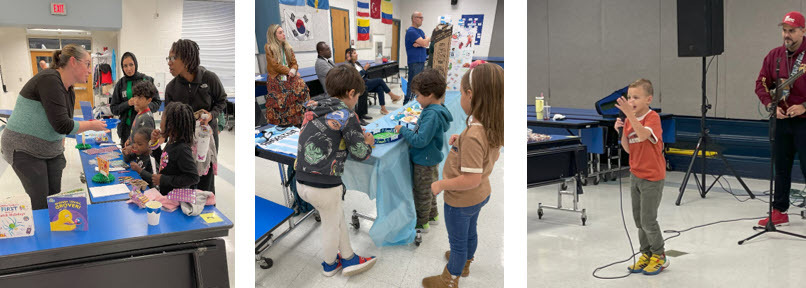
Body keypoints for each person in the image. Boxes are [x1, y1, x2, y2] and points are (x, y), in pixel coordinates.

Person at [423, 63, 503, 287]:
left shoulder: (474, 135)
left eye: (460, 92)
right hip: (480, 195)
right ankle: (466, 263)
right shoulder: (492, 126)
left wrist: (441, 184)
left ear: (470, 94)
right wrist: (462, 140)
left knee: (457, 243)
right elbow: (491, 158)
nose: (460, 98)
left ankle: (450, 278)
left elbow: (470, 179)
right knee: (470, 232)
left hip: (461, 200)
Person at [0, 44, 107, 210]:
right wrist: (92, 125)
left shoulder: (69, 90)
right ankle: (43, 234)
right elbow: (62, 125)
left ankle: (54, 230)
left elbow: (64, 121)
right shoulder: (50, 79)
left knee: (54, 198)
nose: (89, 70)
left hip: (51, 150)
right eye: (87, 64)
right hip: (24, 148)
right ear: (73, 61)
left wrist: (60, 144)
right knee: (41, 203)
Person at [295, 64, 377, 277]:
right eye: (358, 96)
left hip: (302, 181)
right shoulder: (347, 114)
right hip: (324, 185)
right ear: (351, 93)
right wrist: (368, 142)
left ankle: (349, 256)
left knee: (336, 217)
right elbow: (360, 153)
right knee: (331, 226)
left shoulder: (314, 106)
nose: (357, 101)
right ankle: (329, 265)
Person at [755, 11, 806, 227]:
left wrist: (804, 106)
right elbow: (761, 84)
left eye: (792, 31)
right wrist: (770, 104)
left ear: (803, 31)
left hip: (804, 121)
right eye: (784, 30)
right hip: (781, 120)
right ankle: (779, 210)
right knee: (781, 167)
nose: (787, 35)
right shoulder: (774, 55)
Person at [614, 78, 668, 275]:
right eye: (629, 97)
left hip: (652, 177)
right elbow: (629, 148)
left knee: (648, 220)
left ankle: (659, 255)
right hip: (635, 175)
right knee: (638, 221)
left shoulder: (652, 118)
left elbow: (644, 135)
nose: (631, 101)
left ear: (648, 99)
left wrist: (631, 117)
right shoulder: (630, 120)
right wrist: (621, 131)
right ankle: (645, 253)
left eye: (636, 97)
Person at [394, 68, 453, 234]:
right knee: (430, 188)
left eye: (418, 95)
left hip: (424, 160)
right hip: (430, 157)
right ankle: (432, 215)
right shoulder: (437, 109)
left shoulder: (432, 114)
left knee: (422, 193)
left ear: (430, 94)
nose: (416, 99)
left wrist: (403, 130)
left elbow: (420, 141)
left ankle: (422, 223)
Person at [165, 39, 226, 194]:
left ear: (186, 59)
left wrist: (212, 115)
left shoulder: (209, 78)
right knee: (186, 182)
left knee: (206, 183)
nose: (169, 63)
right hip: (183, 143)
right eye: (168, 58)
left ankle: (207, 214)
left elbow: (222, 100)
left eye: (173, 58)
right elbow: (169, 119)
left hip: (206, 138)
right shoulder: (171, 88)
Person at [110, 52, 162, 146]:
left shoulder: (146, 80)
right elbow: (114, 109)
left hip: (144, 128)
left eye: (131, 65)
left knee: (143, 156)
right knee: (127, 156)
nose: (129, 69)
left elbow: (157, 102)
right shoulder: (120, 84)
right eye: (125, 66)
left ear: (136, 64)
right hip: (125, 129)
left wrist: (144, 106)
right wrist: (127, 104)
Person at [264, 24, 310, 127]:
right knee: (295, 87)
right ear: (274, 35)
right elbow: (275, 65)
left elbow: (294, 62)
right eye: (280, 33)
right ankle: (284, 122)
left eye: (283, 32)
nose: (283, 34)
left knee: (303, 87)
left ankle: (299, 119)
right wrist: (289, 71)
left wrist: (293, 70)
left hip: (288, 75)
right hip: (276, 77)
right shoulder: (269, 47)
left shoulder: (288, 47)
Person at [150, 102, 199, 196]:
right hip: (166, 196)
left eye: (162, 120)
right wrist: (154, 143)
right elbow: (163, 161)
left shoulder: (182, 149)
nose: (160, 125)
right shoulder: (171, 143)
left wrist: (164, 179)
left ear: (171, 125)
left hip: (176, 201)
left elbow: (193, 177)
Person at [346, 48, 402, 115]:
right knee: (380, 80)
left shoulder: (357, 63)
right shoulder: (349, 66)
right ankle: (392, 96)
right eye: (354, 53)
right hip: (359, 85)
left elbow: (363, 74)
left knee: (380, 87)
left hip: (365, 81)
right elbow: (356, 77)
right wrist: (364, 69)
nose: (357, 54)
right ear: (349, 56)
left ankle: (383, 108)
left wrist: (365, 69)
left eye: (356, 52)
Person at [405, 11, 431, 104]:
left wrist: (421, 43)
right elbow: (425, 42)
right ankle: (407, 103)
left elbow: (426, 43)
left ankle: (414, 103)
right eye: (420, 18)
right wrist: (425, 40)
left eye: (422, 18)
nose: (422, 20)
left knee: (418, 83)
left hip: (421, 61)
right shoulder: (411, 31)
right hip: (414, 62)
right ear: (414, 19)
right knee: (413, 84)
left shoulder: (420, 31)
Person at [124, 81, 158, 146]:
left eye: (140, 98)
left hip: (140, 154)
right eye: (135, 97)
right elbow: (135, 131)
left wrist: (131, 148)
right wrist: (129, 139)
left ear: (149, 100)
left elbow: (147, 143)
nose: (136, 100)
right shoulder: (140, 112)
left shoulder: (146, 118)